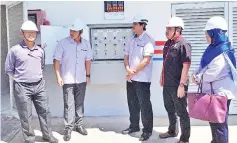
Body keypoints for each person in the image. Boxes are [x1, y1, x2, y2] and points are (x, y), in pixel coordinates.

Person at [5, 21, 58, 143]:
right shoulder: (14, 50)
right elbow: (9, 70)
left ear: (36, 33)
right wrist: (22, 79)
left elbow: (41, 66)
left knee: (45, 112)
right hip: (22, 87)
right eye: (27, 32)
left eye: (33, 32)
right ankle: (29, 139)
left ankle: (48, 135)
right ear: (22, 34)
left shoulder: (40, 51)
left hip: (39, 86)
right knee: (26, 115)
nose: (31, 35)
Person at [192, 16, 237, 143]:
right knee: (213, 120)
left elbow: (212, 73)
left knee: (220, 125)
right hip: (213, 93)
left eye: (207, 33)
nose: (205, 36)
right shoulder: (213, 49)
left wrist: (198, 78)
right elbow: (203, 65)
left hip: (221, 94)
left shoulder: (223, 51)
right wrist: (196, 73)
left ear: (215, 33)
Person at [53, 18, 92, 141]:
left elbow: (88, 61)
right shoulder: (63, 43)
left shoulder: (86, 44)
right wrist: (58, 76)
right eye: (71, 30)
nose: (71, 32)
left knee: (79, 104)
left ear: (80, 32)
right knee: (68, 105)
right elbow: (56, 60)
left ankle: (78, 125)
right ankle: (68, 128)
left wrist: (88, 76)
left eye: (74, 31)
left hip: (81, 79)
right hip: (67, 80)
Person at [122, 14, 154, 141]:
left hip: (142, 80)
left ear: (142, 25)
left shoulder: (148, 40)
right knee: (132, 103)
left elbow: (146, 60)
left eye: (135, 24)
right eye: (133, 24)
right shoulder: (131, 40)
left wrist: (132, 71)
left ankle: (147, 130)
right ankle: (134, 126)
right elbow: (126, 57)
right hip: (131, 79)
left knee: (145, 105)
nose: (133, 26)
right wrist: (128, 69)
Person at [159, 17, 191, 143]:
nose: (167, 31)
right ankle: (172, 131)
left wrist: (182, 85)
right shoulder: (168, 43)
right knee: (169, 108)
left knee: (182, 112)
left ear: (178, 30)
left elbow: (186, 65)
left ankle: (184, 138)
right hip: (167, 84)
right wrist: (162, 77)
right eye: (166, 28)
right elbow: (166, 63)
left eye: (169, 28)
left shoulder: (184, 44)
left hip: (178, 85)